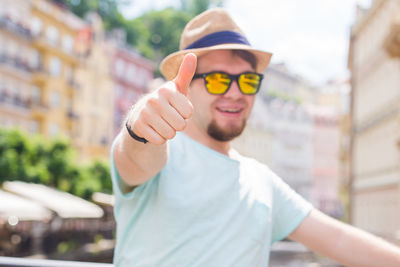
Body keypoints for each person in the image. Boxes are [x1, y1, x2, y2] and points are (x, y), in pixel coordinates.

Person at [111, 8, 400, 267]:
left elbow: (338, 240)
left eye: (247, 80)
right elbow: (136, 156)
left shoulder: (260, 180)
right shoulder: (162, 150)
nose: (235, 93)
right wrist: (141, 125)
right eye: (218, 79)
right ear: (185, 87)